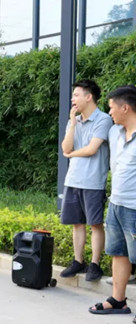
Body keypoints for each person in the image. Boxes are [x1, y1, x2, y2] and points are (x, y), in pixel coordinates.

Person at [60, 79, 113, 282]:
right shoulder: (74, 121)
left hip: (93, 181)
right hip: (73, 179)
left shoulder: (103, 120)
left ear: (88, 97)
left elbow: (92, 149)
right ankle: (78, 261)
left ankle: (95, 264)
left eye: (76, 95)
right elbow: (65, 148)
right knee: (77, 223)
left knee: (95, 224)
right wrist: (73, 124)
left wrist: (71, 154)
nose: (72, 99)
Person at [89, 85, 136, 315]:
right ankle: (118, 300)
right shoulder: (115, 132)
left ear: (125, 108)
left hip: (134, 206)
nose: (109, 112)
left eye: (111, 107)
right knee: (119, 252)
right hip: (116, 203)